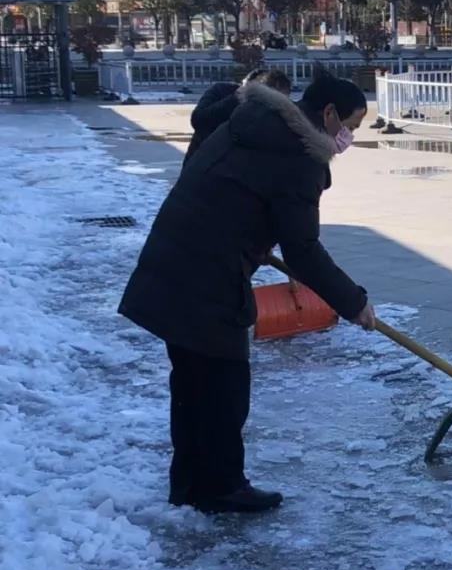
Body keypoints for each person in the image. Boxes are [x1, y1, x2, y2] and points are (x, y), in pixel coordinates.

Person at [119, 74, 374, 514]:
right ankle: (221, 488)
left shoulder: (253, 120)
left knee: (193, 382)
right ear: (329, 113)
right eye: (348, 126)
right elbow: (304, 251)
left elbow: (232, 187)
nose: (347, 138)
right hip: (208, 274)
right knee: (224, 385)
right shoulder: (299, 156)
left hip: (174, 256)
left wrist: (252, 233)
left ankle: (190, 484)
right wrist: (353, 302)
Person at [184, 68, 292, 167]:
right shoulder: (221, 91)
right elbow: (199, 120)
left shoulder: (280, 113)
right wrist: (236, 98)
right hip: (204, 166)